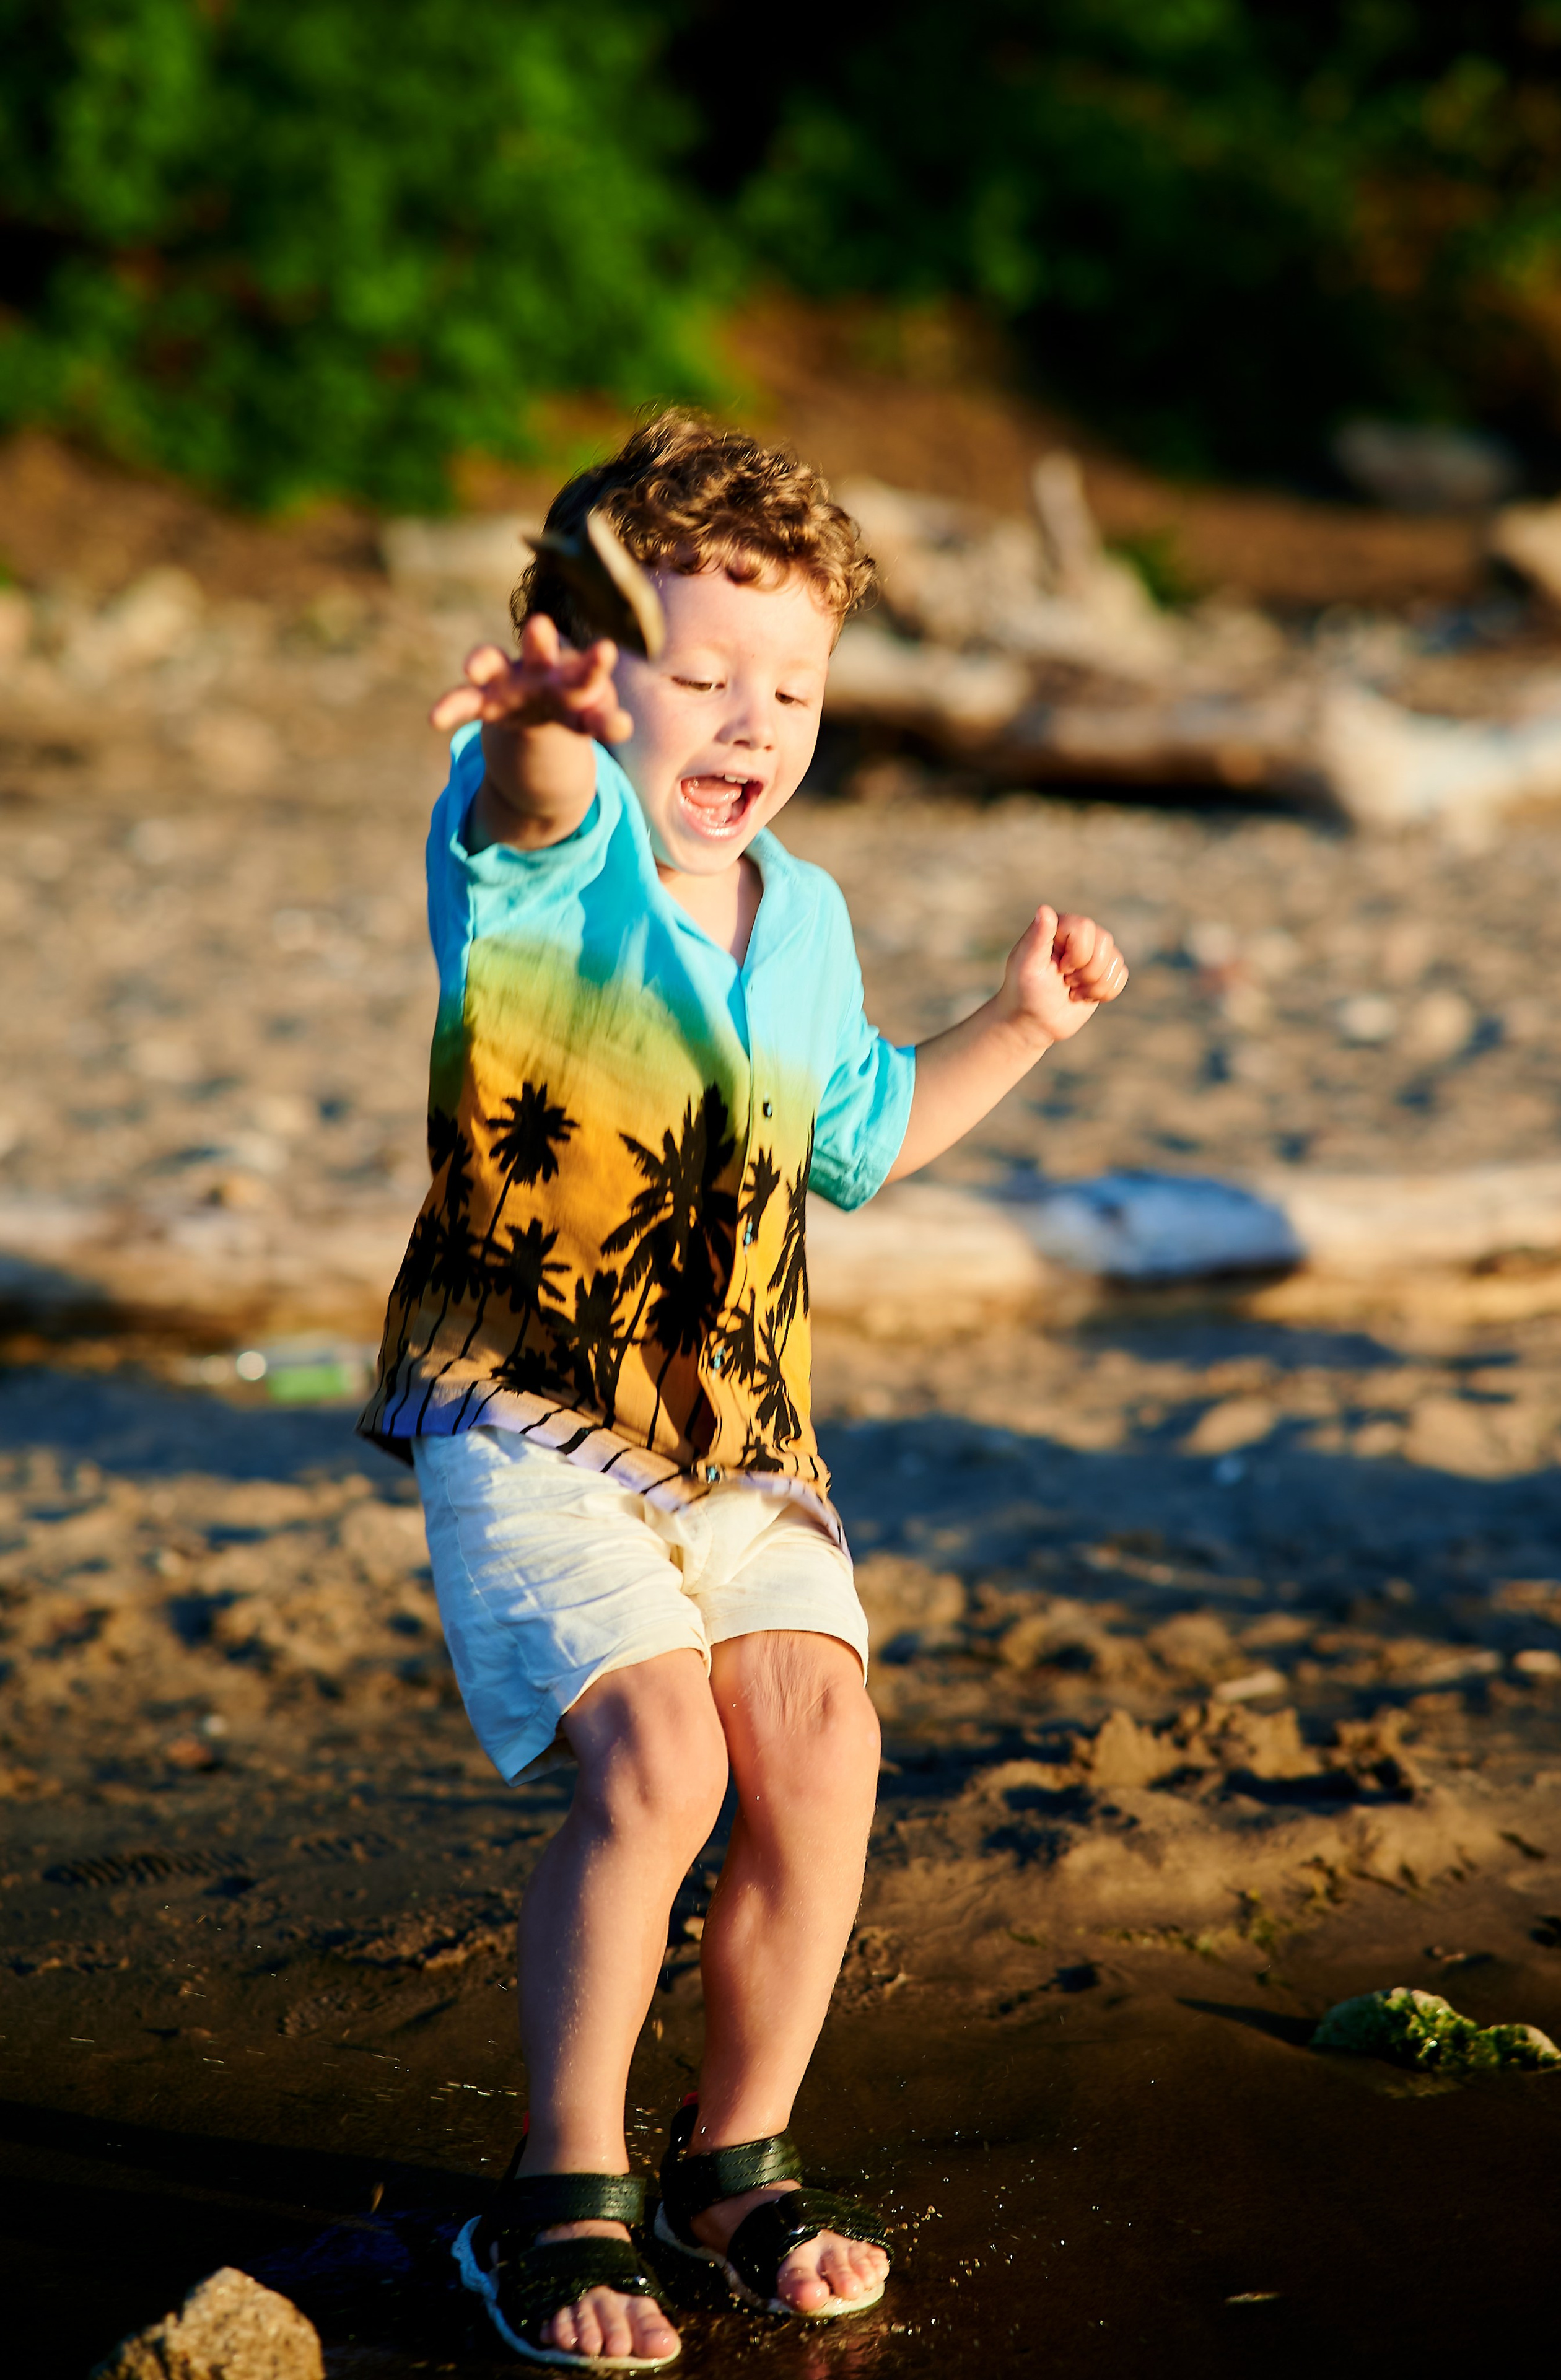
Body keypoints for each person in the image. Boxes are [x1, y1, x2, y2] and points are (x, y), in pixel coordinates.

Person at [359, 412, 1127, 2369]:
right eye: (695, 674)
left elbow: (866, 1132)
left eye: (789, 684)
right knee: (663, 1767)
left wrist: (1019, 1026)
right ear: (588, 663)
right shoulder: (547, 843)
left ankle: (736, 2157)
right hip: (530, 1410)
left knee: (822, 1742)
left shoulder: (808, 915)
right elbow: (531, 794)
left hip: (745, 1439)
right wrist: (539, 716)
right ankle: (555, 2192)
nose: (748, 718)